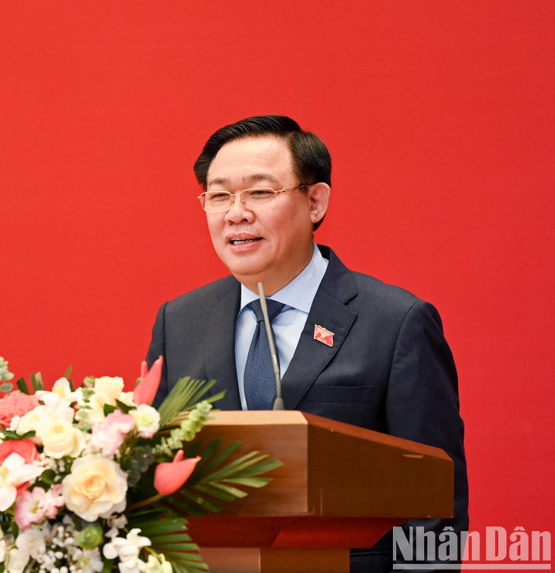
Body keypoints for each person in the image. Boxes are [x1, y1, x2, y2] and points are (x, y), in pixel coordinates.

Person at [145, 115, 467, 572]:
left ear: (315, 201)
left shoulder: (396, 323)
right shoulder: (179, 321)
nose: (236, 212)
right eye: (219, 195)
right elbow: (156, 480)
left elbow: (437, 502)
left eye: (260, 192)